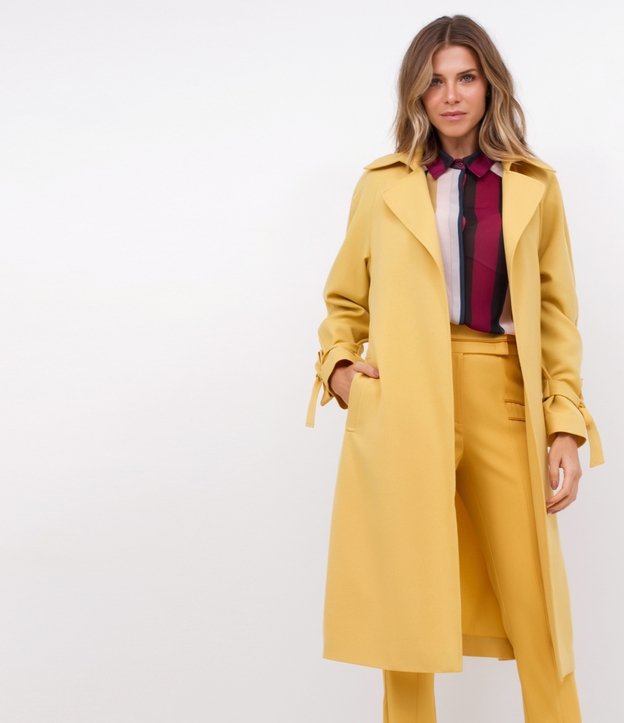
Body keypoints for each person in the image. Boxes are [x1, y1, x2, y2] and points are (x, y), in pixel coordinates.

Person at [305, 14, 605, 723]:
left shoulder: (534, 186)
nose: (450, 95)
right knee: (407, 612)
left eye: (466, 78)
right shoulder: (382, 186)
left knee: (538, 610)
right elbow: (345, 300)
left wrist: (565, 424)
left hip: (502, 392)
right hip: (405, 397)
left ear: (489, 85)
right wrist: (341, 369)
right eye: (435, 81)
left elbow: (556, 315)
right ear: (416, 92)